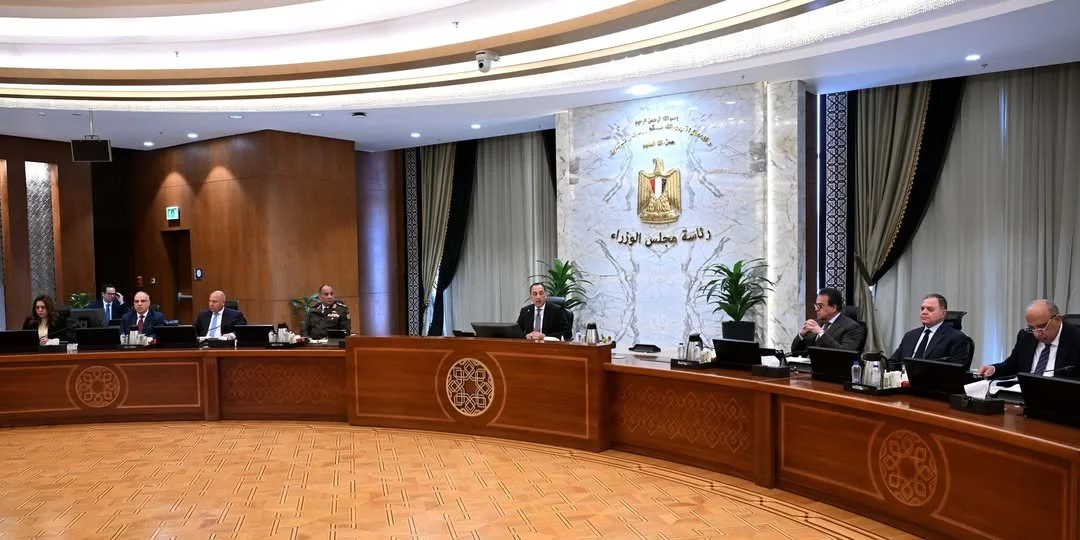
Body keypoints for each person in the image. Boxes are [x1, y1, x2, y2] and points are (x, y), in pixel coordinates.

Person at [978, 299, 1080, 379]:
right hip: (1024, 394)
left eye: (1042, 327)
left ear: (1058, 320)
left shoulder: (1075, 339)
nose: (1037, 334)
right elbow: (1012, 365)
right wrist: (993, 369)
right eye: (1032, 328)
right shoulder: (1025, 336)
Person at [887, 293, 970, 370]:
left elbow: (955, 369)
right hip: (904, 379)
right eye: (922, 309)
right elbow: (893, 362)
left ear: (943, 314)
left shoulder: (956, 337)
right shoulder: (910, 335)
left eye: (930, 309)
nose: (924, 312)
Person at [791, 287, 865, 354]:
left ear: (833, 308)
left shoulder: (853, 327)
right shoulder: (816, 323)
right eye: (816, 305)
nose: (816, 309)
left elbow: (845, 354)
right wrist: (802, 335)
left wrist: (821, 333)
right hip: (806, 363)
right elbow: (795, 351)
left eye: (820, 306)